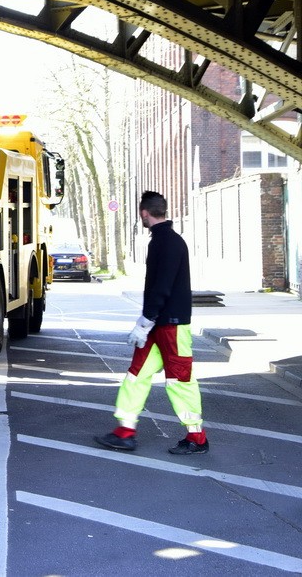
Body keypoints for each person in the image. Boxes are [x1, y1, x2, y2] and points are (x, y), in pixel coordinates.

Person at [95, 191, 209, 455]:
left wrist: (146, 320)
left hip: (169, 325)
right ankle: (124, 432)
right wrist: (148, 321)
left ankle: (197, 439)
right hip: (163, 323)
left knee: (179, 380)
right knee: (136, 375)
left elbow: (162, 286)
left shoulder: (164, 243)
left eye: (141, 213)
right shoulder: (168, 241)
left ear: (144, 212)